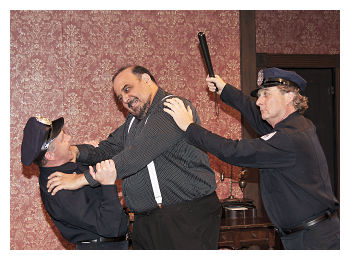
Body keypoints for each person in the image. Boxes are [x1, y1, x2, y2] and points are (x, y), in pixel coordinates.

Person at [45, 65, 221, 250]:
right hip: (147, 221)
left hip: (185, 216)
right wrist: (76, 152)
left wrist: (81, 180)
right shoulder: (133, 121)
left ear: (146, 79)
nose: (126, 100)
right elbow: (109, 148)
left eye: (127, 89)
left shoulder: (171, 108)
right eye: (120, 97)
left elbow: (135, 156)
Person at [163, 67, 340, 250]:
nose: (259, 102)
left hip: (313, 240)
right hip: (308, 234)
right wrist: (224, 89)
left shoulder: (288, 138)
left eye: (266, 95)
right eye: (259, 95)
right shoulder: (297, 126)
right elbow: (254, 114)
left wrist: (189, 127)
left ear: (289, 96)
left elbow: (233, 151)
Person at [21, 116, 129, 250]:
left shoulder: (66, 165)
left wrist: (93, 153)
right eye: (63, 138)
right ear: (50, 155)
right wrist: (108, 185)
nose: (69, 138)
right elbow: (110, 228)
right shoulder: (58, 188)